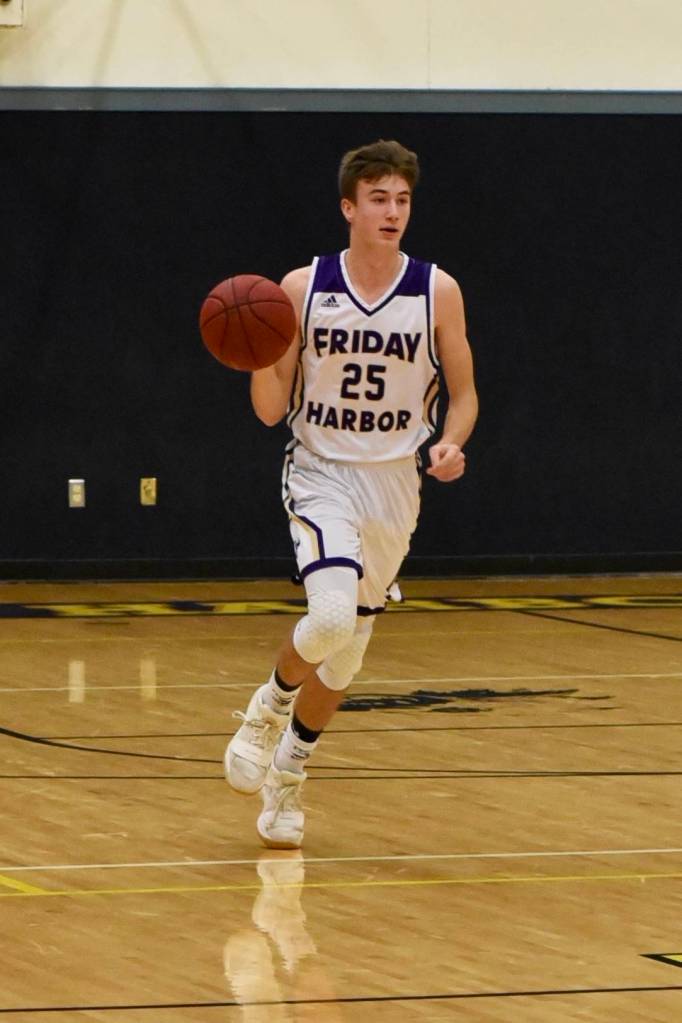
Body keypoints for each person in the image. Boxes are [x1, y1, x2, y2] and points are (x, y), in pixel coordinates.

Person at [225, 139, 478, 849]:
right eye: (378, 199)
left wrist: (452, 442)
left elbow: (465, 396)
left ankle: (288, 777)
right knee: (330, 615)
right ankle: (264, 711)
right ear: (349, 207)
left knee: (344, 657)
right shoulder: (302, 289)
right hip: (320, 473)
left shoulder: (438, 291)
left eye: (402, 199)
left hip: (395, 483)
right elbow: (272, 409)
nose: (392, 211)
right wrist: (254, 357)